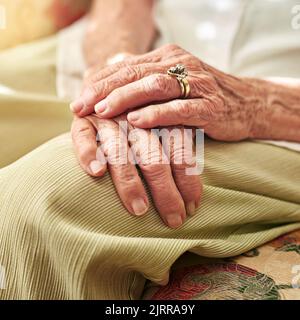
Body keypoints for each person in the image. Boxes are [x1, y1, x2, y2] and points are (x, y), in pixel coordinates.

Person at [0, 0, 299, 300]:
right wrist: (117, 71)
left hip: (275, 116)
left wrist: (255, 103)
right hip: (138, 51)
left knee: (44, 199)